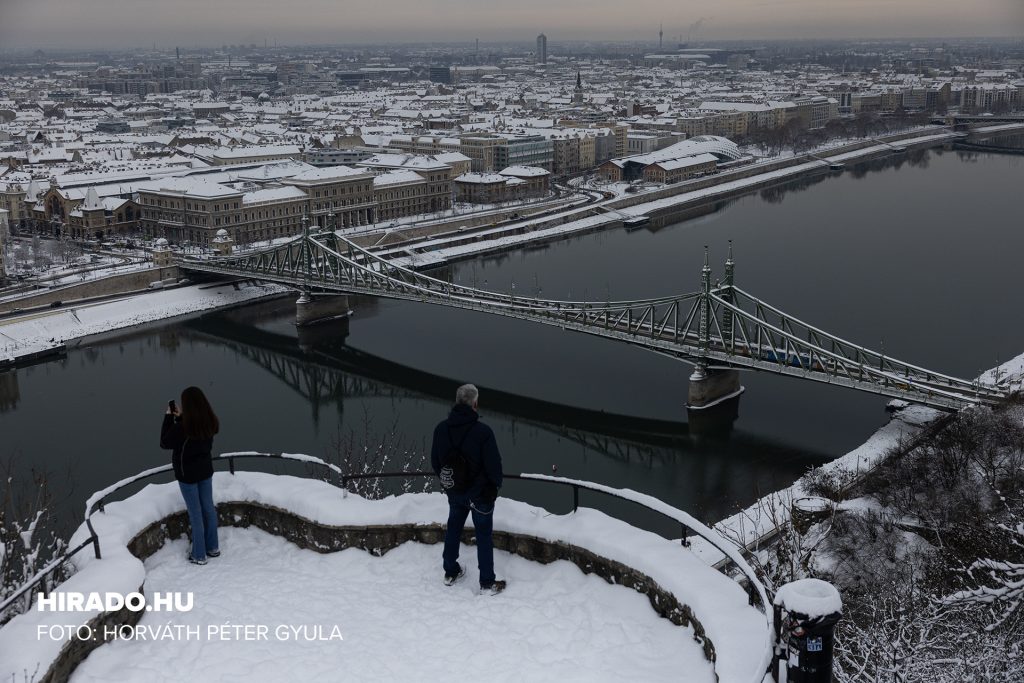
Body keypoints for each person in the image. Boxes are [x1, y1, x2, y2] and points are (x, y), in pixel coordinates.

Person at [431, 383, 504, 594]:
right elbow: (494, 466)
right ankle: (487, 582)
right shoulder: (483, 432)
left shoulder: (441, 429)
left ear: (457, 402)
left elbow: (436, 462)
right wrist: (494, 486)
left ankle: (450, 571)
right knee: (484, 536)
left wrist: (449, 483)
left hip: (455, 492)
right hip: (480, 494)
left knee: (453, 528)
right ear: (475, 404)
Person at [160, 386, 220, 566]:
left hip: (188, 476)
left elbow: (164, 442)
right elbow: (193, 433)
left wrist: (169, 417)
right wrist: (180, 418)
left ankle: (199, 555)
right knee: (208, 509)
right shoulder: (210, 421)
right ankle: (213, 547)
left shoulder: (183, 428)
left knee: (196, 514)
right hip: (205, 471)